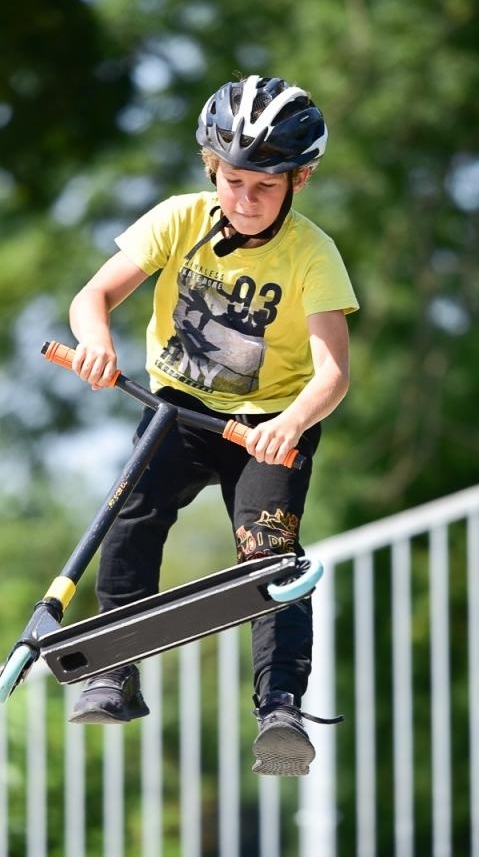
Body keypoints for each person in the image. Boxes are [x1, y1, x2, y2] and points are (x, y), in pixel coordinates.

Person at [63, 74, 358, 777]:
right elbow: (92, 297)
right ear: (210, 168)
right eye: (232, 181)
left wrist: (288, 424)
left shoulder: (313, 254)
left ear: (299, 180)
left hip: (269, 422)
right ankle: (113, 669)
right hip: (181, 409)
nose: (245, 200)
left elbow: (333, 374)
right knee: (132, 516)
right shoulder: (178, 219)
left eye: (264, 186)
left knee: (271, 554)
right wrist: (97, 341)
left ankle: (280, 706)